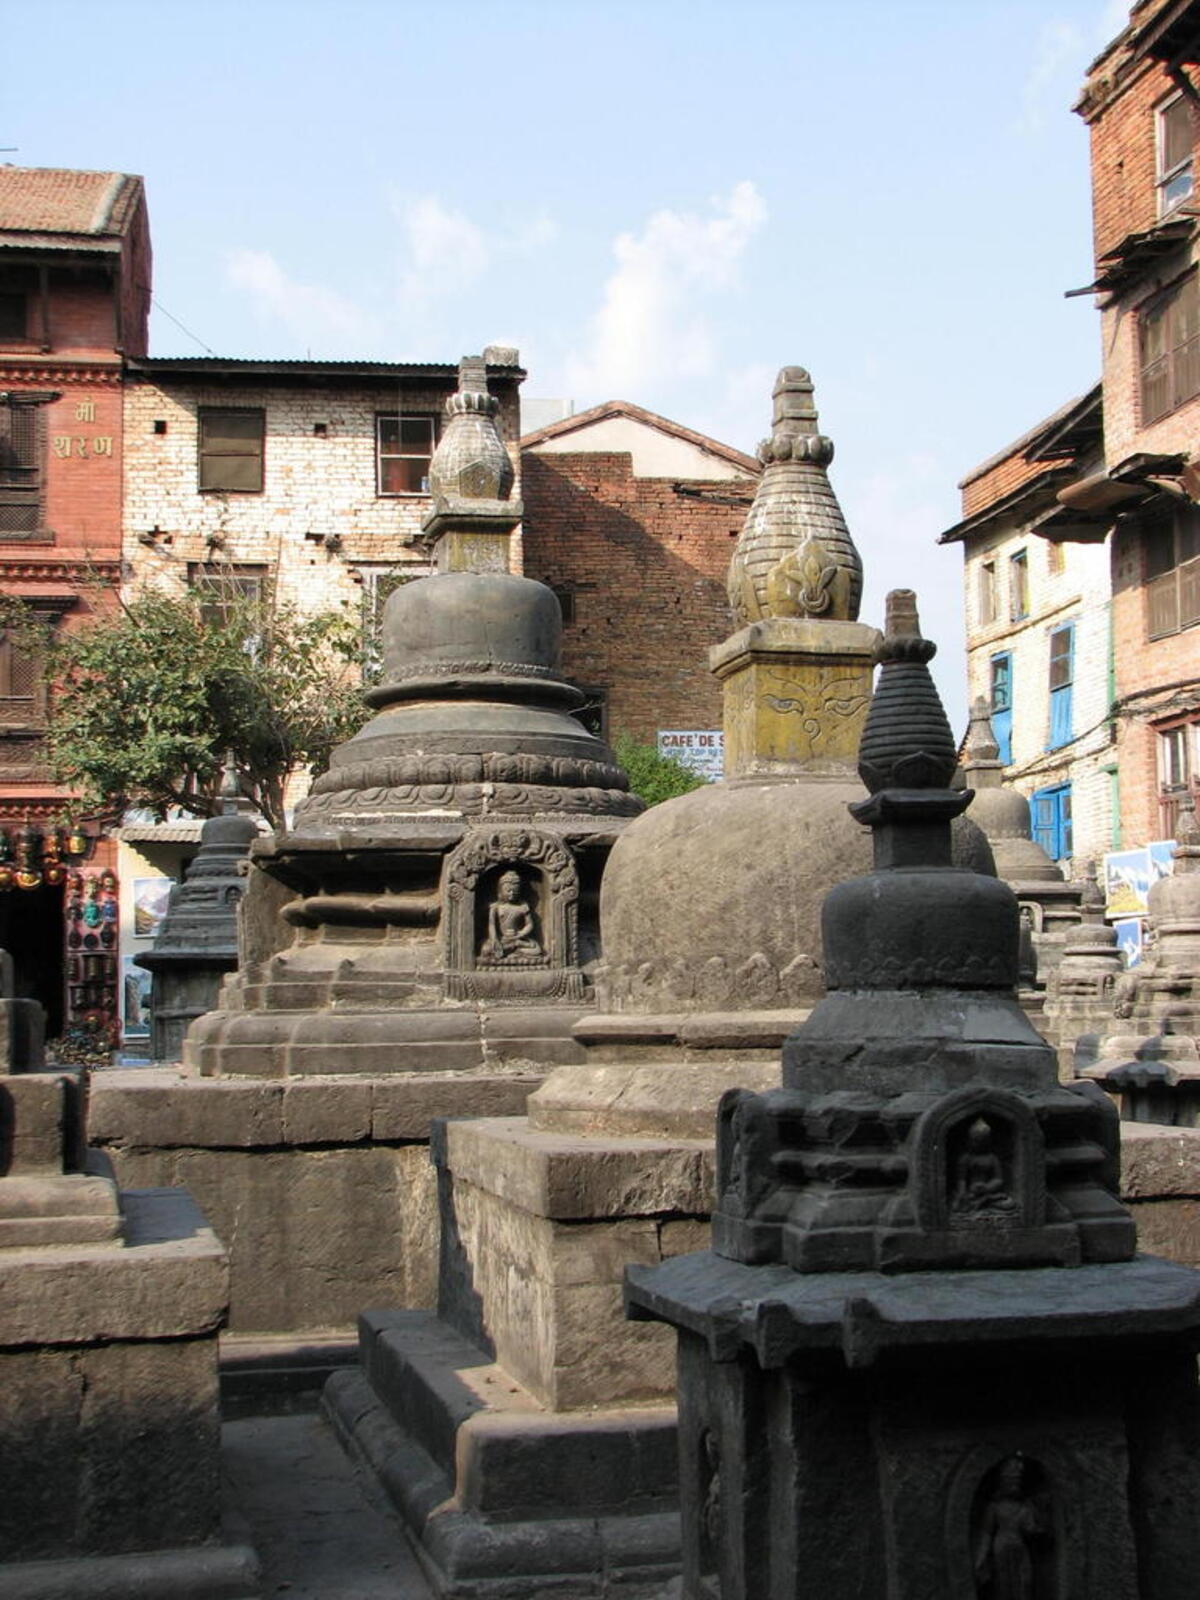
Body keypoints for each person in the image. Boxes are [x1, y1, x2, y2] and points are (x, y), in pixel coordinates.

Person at [482, 871, 542, 961]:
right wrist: (495, 940)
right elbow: (492, 925)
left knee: (537, 950)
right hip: (502, 939)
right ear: (500, 890)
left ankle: (514, 948)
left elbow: (529, 924)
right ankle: (514, 949)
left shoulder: (523, 906)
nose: (512, 894)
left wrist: (520, 934)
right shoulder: (495, 907)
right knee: (486, 950)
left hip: (517, 938)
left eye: (515, 891)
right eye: (508, 891)